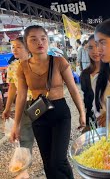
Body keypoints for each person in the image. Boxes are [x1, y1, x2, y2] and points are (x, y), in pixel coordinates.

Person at [10, 25, 86, 179]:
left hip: (60, 113)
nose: (40, 42)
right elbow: (21, 97)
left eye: (43, 38)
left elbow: (73, 89)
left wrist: (81, 112)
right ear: (27, 43)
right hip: (38, 113)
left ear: (48, 41)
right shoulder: (22, 67)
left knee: (59, 159)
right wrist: (16, 125)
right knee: (47, 161)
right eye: (34, 39)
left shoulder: (59, 62)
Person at [2, 37, 34, 154]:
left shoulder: (36, 64)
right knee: (24, 136)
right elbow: (12, 88)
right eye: (13, 47)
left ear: (28, 49)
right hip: (23, 104)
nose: (15, 50)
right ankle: (24, 164)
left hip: (38, 102)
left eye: (19, 47)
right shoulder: (12, 67)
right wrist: (7, 107)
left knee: (44, 133)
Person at [80, 35, 100, 130]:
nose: (94, 51)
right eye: (90, 47)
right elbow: (87, 101)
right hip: (92, 119)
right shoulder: (85, 74)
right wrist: (86, 121)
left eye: (97, 45)